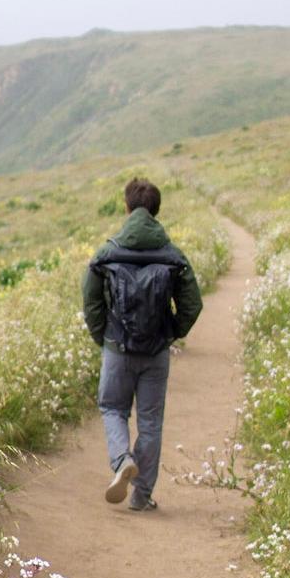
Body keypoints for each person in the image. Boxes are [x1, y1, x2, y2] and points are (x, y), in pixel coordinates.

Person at [82, 178, 203, 511]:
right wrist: (170, 333)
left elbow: (91, 302)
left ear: (127, 207)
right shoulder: (173, 255)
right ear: (156, 210)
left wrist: (102, 338)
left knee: (112, 408)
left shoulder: (107, 252)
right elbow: (192, 305)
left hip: (117, 349)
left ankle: (122, 460)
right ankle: (141, 496)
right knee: (150, 422)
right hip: (156, 353)